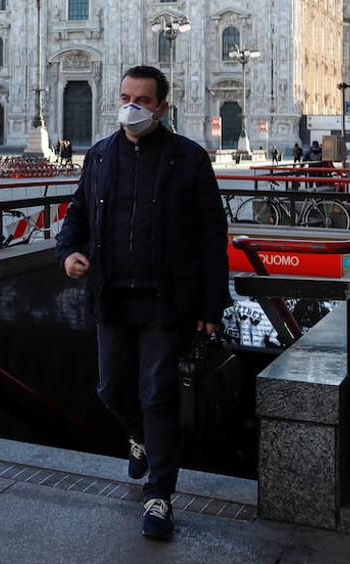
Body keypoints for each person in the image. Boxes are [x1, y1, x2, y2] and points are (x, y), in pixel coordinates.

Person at [57, 65, 228, 542]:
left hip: (166, 302)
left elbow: (213, 236)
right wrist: (68, 252)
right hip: (111, 297)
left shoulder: (189, 160)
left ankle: (160, 495)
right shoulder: (100, 156)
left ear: (161, 108)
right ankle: (139, 437)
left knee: (157, 391)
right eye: (126, 96)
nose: (131, 107)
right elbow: (77, 217)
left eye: (143, 100)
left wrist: (212, 306)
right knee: (112, 389)